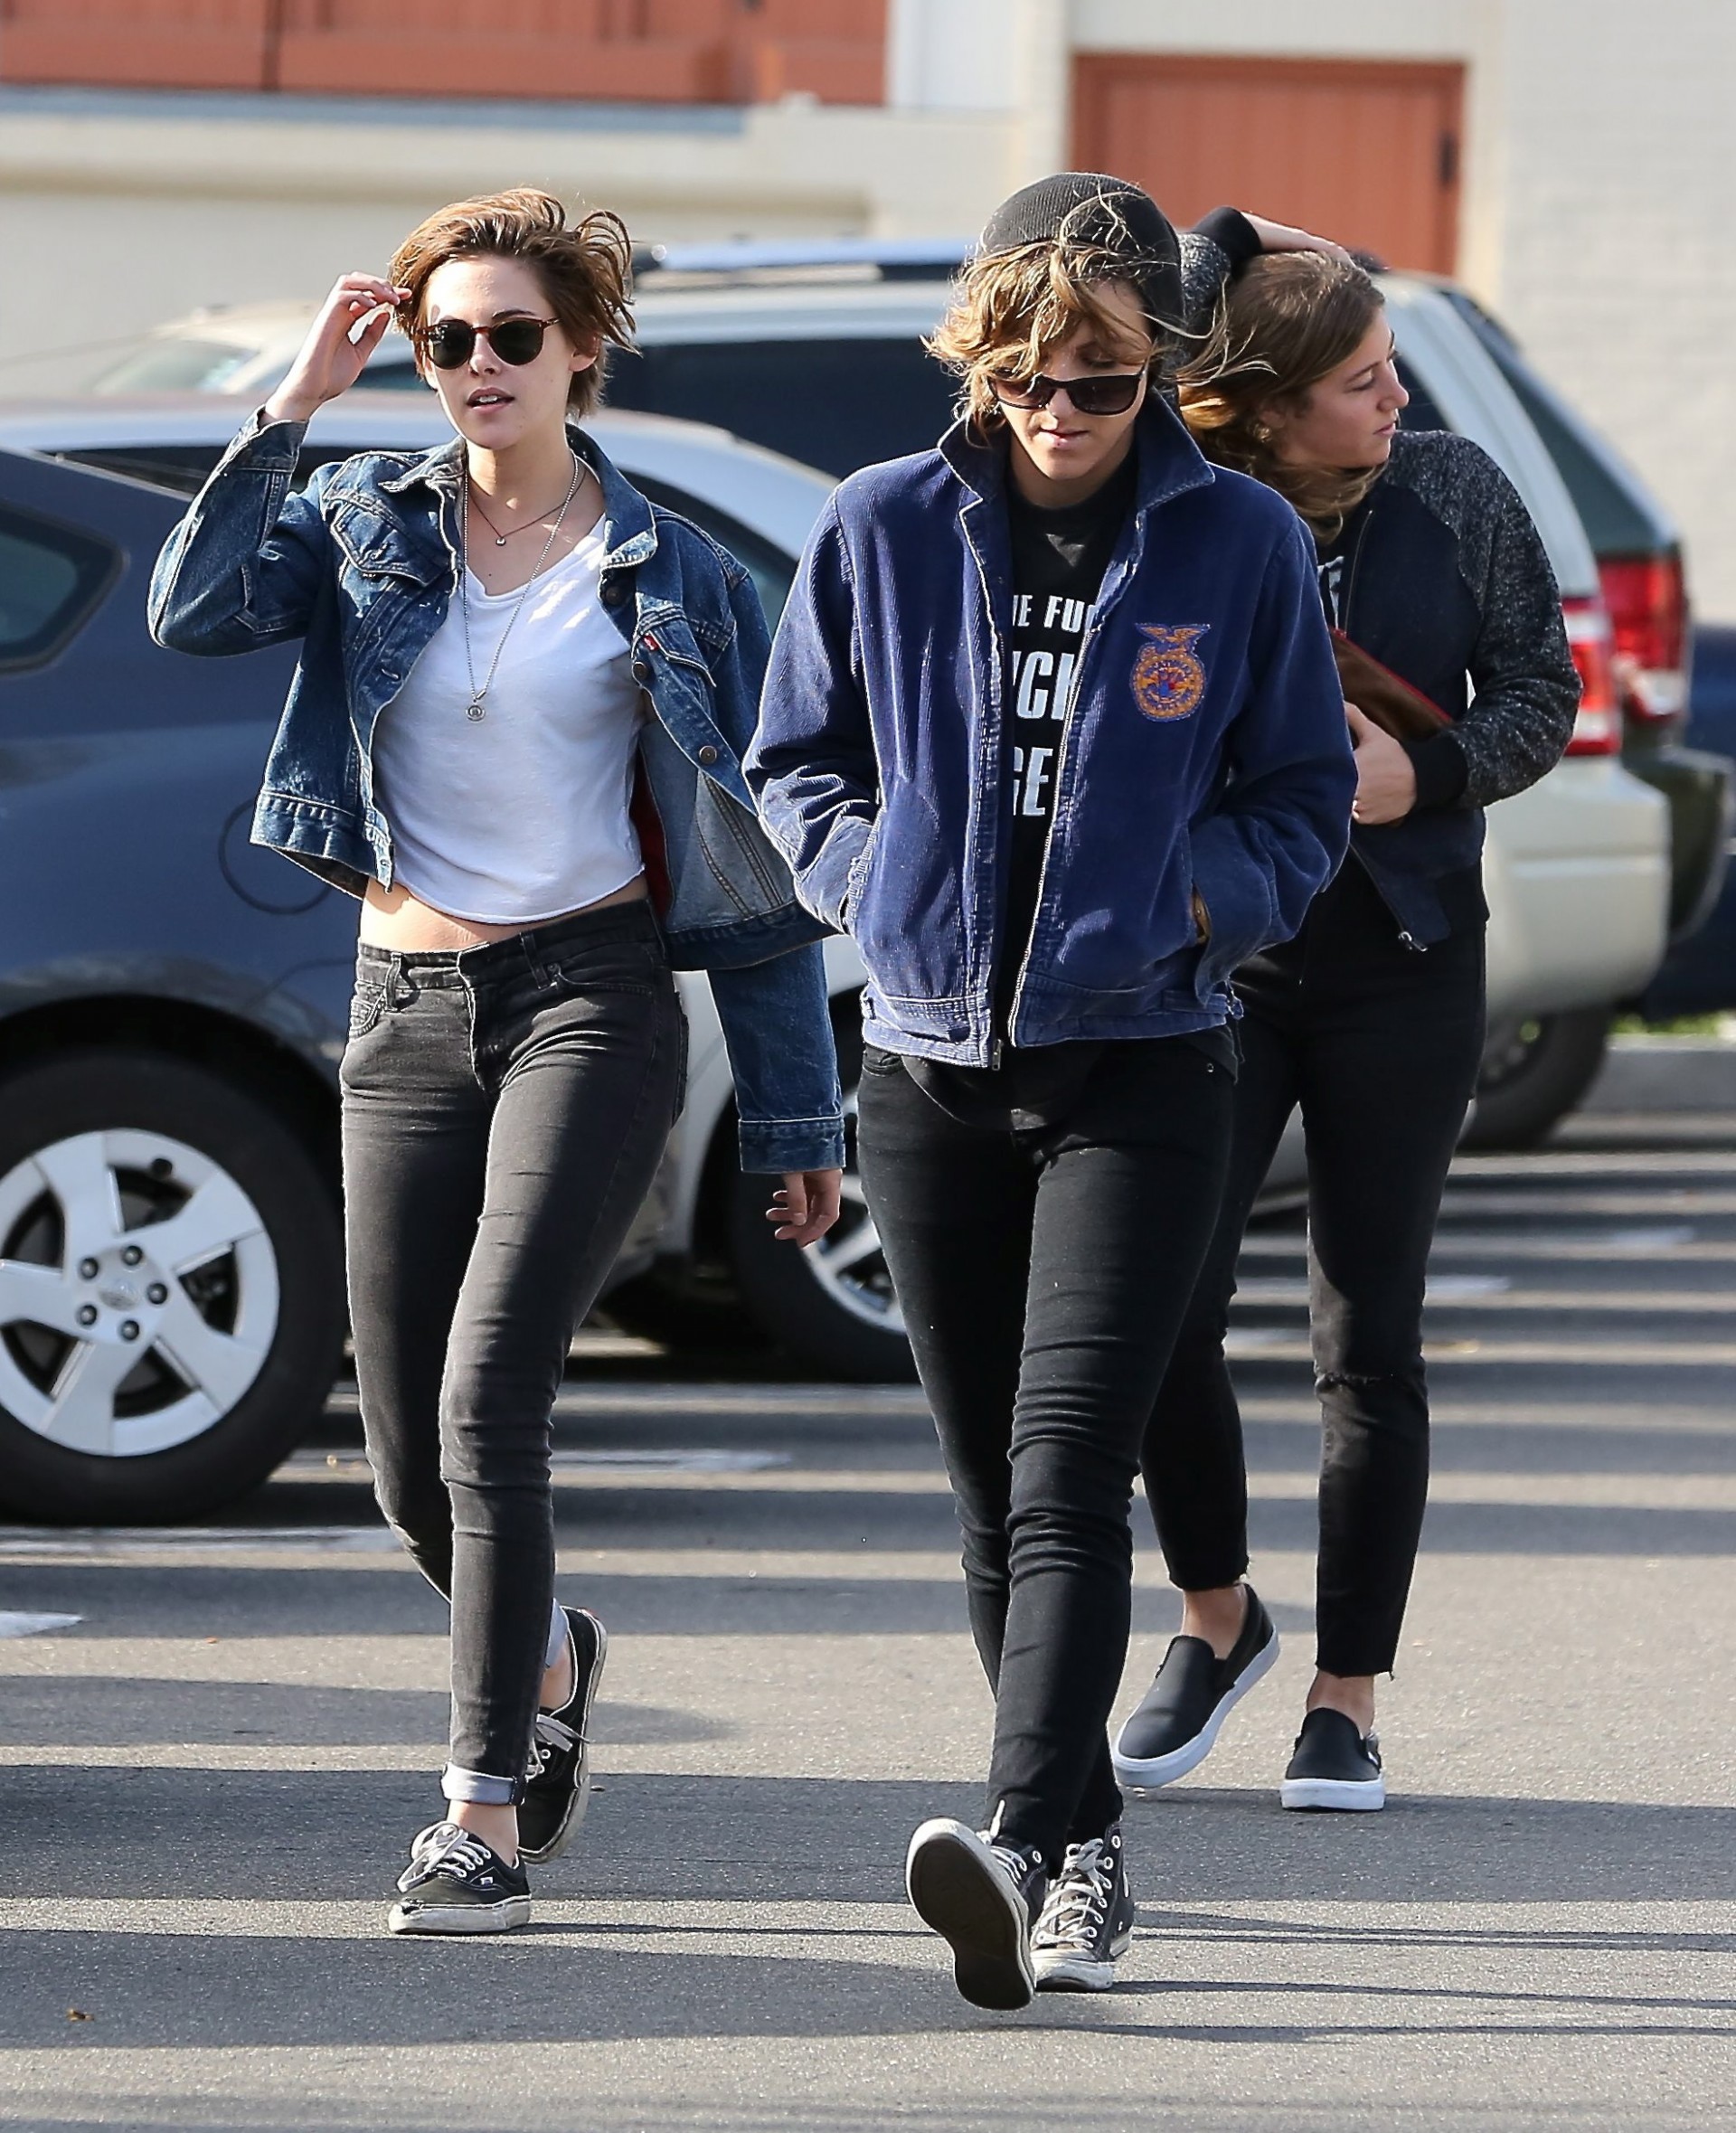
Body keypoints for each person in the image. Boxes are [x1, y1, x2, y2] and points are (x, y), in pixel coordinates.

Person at [149, 189, 844, 1936]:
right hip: (403, 1007)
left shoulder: (682, 577)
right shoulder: (359, 521)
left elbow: (754, 876)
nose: (476, 364)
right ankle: (543, 1657)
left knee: (487, 1404)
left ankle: (480, 1815)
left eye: (512, 335)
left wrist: (794, 1113)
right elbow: (191, 612)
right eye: (445, 338)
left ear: (583, 347)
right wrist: (294, 401)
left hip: (588, 1002)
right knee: (403, 1462)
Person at [746, 174, 1355, 2008]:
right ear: (979, 365)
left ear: (1155, 368)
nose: (1061, 412)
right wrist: (872, 885)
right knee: (985, 1499)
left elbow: (1304, 798)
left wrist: (1192, 900)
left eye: (1099, 381)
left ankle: (1013, 1838)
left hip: (1145, 1063)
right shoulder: (881, 521)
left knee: (1069, 1465)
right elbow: (797, 759)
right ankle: (1088, 1852)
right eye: (1025, 379)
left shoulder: (1237, 540)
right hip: (930, 1067)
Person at [1116, 247, 1579, 1813]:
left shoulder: (1452, 489)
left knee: (1365, 1335)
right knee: (1164, 1305)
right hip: (1219, 963)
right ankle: (1217, 1616)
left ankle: (1347, 1698)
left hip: (1408, 957)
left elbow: (1542, 691)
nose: (1399, 396)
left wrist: (1423, 776)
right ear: (1260, 408)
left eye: (1393, 365)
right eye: (1362, 378)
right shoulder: (1188, 506)